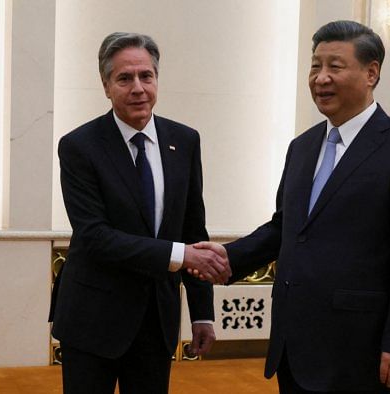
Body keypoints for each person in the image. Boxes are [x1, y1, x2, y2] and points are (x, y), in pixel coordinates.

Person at [194, 20, 390, 393]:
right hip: (293, 347)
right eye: (315, 66)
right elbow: (286, 227)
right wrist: (230, 257)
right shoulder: (303, 147)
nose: (320, 78)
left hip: (362, 350)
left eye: (335, 66)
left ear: (371, 72)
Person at [49, 32, 231, 394]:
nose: (138, 88)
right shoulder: (79, 147)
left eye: (146, 76)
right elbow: (95, 237)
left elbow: (193, 227)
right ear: (106, 86)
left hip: (155, 320)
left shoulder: (186, 141)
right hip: (92, 320)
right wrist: (180, 255)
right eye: (124, 78)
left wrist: (202, 313)